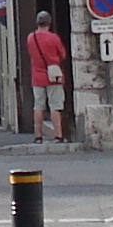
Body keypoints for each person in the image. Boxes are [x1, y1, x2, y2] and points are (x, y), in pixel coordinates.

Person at [23, 10, 71, 145]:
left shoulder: (31, 38)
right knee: (55, 107)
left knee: (38, 106)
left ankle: (38, 136)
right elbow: (62, 54)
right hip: (53, 77)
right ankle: (58, 135)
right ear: (49, 23)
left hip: (37, 76)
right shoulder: (54, 38)